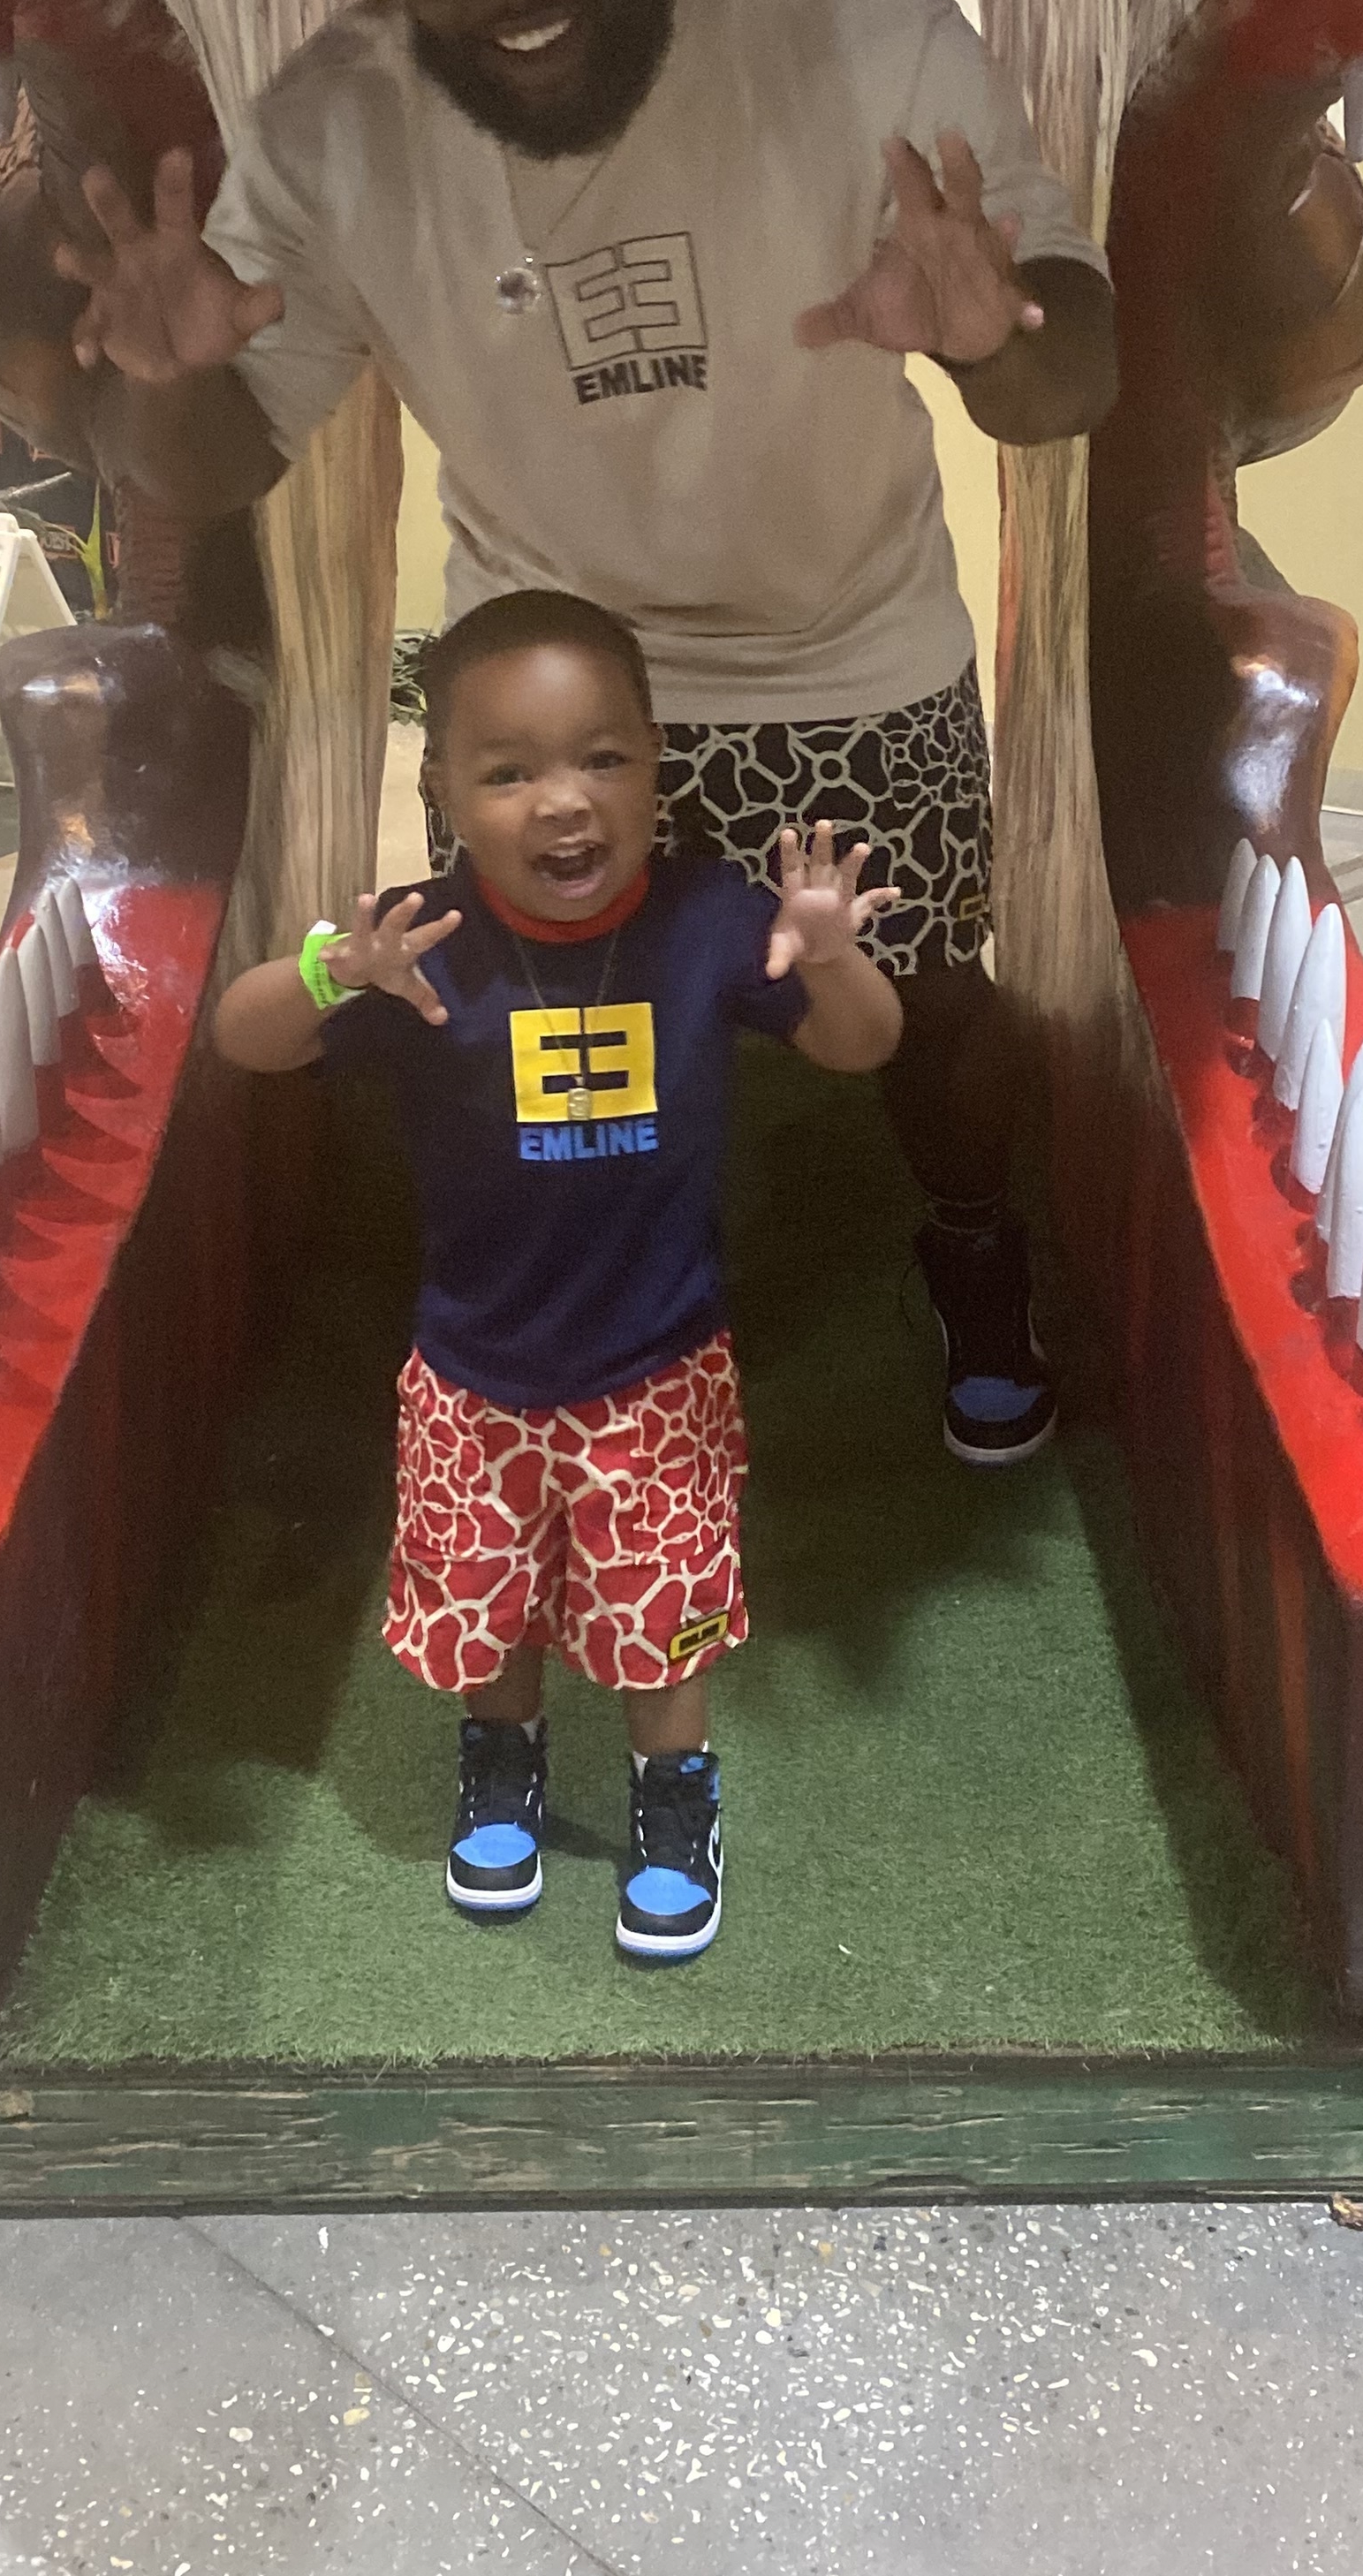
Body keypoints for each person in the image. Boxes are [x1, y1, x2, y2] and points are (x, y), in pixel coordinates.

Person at [61, 0, 1117, 1468]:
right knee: (518, 1022)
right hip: (542, 671)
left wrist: (989, 337)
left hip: (844, 641)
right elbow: (221, 455)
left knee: (928, 994)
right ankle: (554, 1299)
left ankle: (968, 1242)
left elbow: (1069, 374)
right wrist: (161, 394)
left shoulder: (859, 35)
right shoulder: (332, 126)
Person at [212, 589, 902, 1964]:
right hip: (474, 1372)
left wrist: (831, 956)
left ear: (656, 764)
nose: (563, 801)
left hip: (659, 1369)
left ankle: (674, 1793)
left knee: (664, 1612)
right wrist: (333, 970)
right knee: (490, 1604)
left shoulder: (710, 916)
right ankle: (502, 1759)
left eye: (602, 757)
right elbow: (245, 1038)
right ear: (443, 791)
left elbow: (861, 1046)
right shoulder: (422, 942)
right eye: (509, 771)